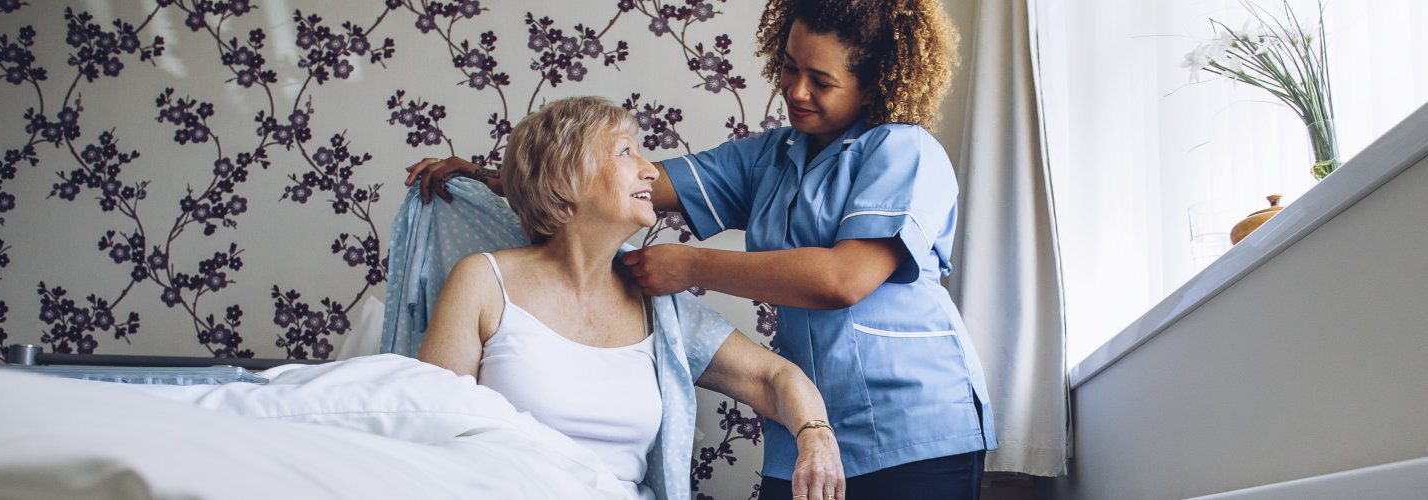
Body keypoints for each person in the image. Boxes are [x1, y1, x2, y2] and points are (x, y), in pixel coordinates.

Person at [407, 1, 992, 498]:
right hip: (805, 427)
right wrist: (492, 176)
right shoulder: (770, 157)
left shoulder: (904, 151)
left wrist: (691, 265)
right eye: (789, 69)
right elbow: (609, 182)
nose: (795, 89)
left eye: (821, 79)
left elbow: (844, 279)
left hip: (912, 424)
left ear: (875, 82)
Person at [416, 96, 845, 500]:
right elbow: (430, 430)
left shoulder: (658, 308)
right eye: (626, 152)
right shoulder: (483, 280)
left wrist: (815, 435)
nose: (652, 171)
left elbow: (775, 378)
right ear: (565, 177)